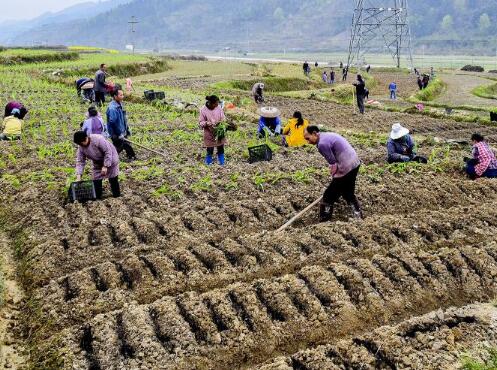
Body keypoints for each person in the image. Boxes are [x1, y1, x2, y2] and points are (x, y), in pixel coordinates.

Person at [304, 125, 362, 221]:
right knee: (348, 192)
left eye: (308, 138)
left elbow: (333, 164)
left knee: (328, 196)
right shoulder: (327, 135)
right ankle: (358, 215)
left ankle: (324, 222)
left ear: (314, 133)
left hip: (346, 166)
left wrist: (335, 178)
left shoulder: (321, 144)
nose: (308, 142)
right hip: (355, 163)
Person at [74, 131, 121, 199]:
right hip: (97, 162)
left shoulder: (98, 139)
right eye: (79, 144)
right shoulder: (81, 146)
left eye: (82, 143)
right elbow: (80, 161)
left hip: (111, 158)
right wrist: (78, 176)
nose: (81, 145)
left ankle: (117, 196)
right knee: (96, 180)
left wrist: (105, 166)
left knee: (113, 179)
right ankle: (98, 197)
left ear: (86, 138)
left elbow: (108, 152)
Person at [107, 87, 136, 160]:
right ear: (115, 96)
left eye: (123, 94)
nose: (122, 96)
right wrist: (119, 133)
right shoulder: (113, 108)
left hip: (122, 130)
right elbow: (113, 122)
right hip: (116, 133)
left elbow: (123, 119)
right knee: (119, 146)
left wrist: (126, 129)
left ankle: (131, 156)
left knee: (125, 144)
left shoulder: (119, 104)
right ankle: (109, 159)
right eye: (120, 95)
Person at [199, 95, 226, 165]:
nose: (217, 105)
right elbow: (201, 122)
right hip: (209, 133)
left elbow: (223, 117)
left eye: (218, 104)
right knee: (210, 149)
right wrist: (207, 123)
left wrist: (222, 123)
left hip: (219, 133)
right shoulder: (203, 110)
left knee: (221, 148)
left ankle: (222, 162)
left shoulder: (218, 108)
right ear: (211, 103)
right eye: (216, 104)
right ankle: (208, 163)